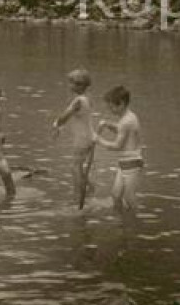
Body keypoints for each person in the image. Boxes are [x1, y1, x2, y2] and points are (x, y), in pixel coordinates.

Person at [95, 85, 143, 212]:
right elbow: (123, 132)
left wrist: (98, 140)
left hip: (132, 163)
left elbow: (117, 146)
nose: (110, 110)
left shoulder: (125, 122)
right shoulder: (130, 116)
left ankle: (135, 221)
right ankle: (121, 220)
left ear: (121, 104)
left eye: (111, 107)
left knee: (129, 197)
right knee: (116, 196)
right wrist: (108, 125)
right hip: (124, 163)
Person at [52, 68, 95, 205]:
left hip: (82, 140)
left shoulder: (78, 101)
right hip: (89, 137)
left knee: (75, 167)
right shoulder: (86, 99)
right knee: (79, 166)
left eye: (78, 83)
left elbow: (65, 116)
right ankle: (89, 188)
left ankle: (78, 196)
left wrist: (56, 124)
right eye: (72, 82)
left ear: (85, 86)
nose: (73, 86)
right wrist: (59, 125)